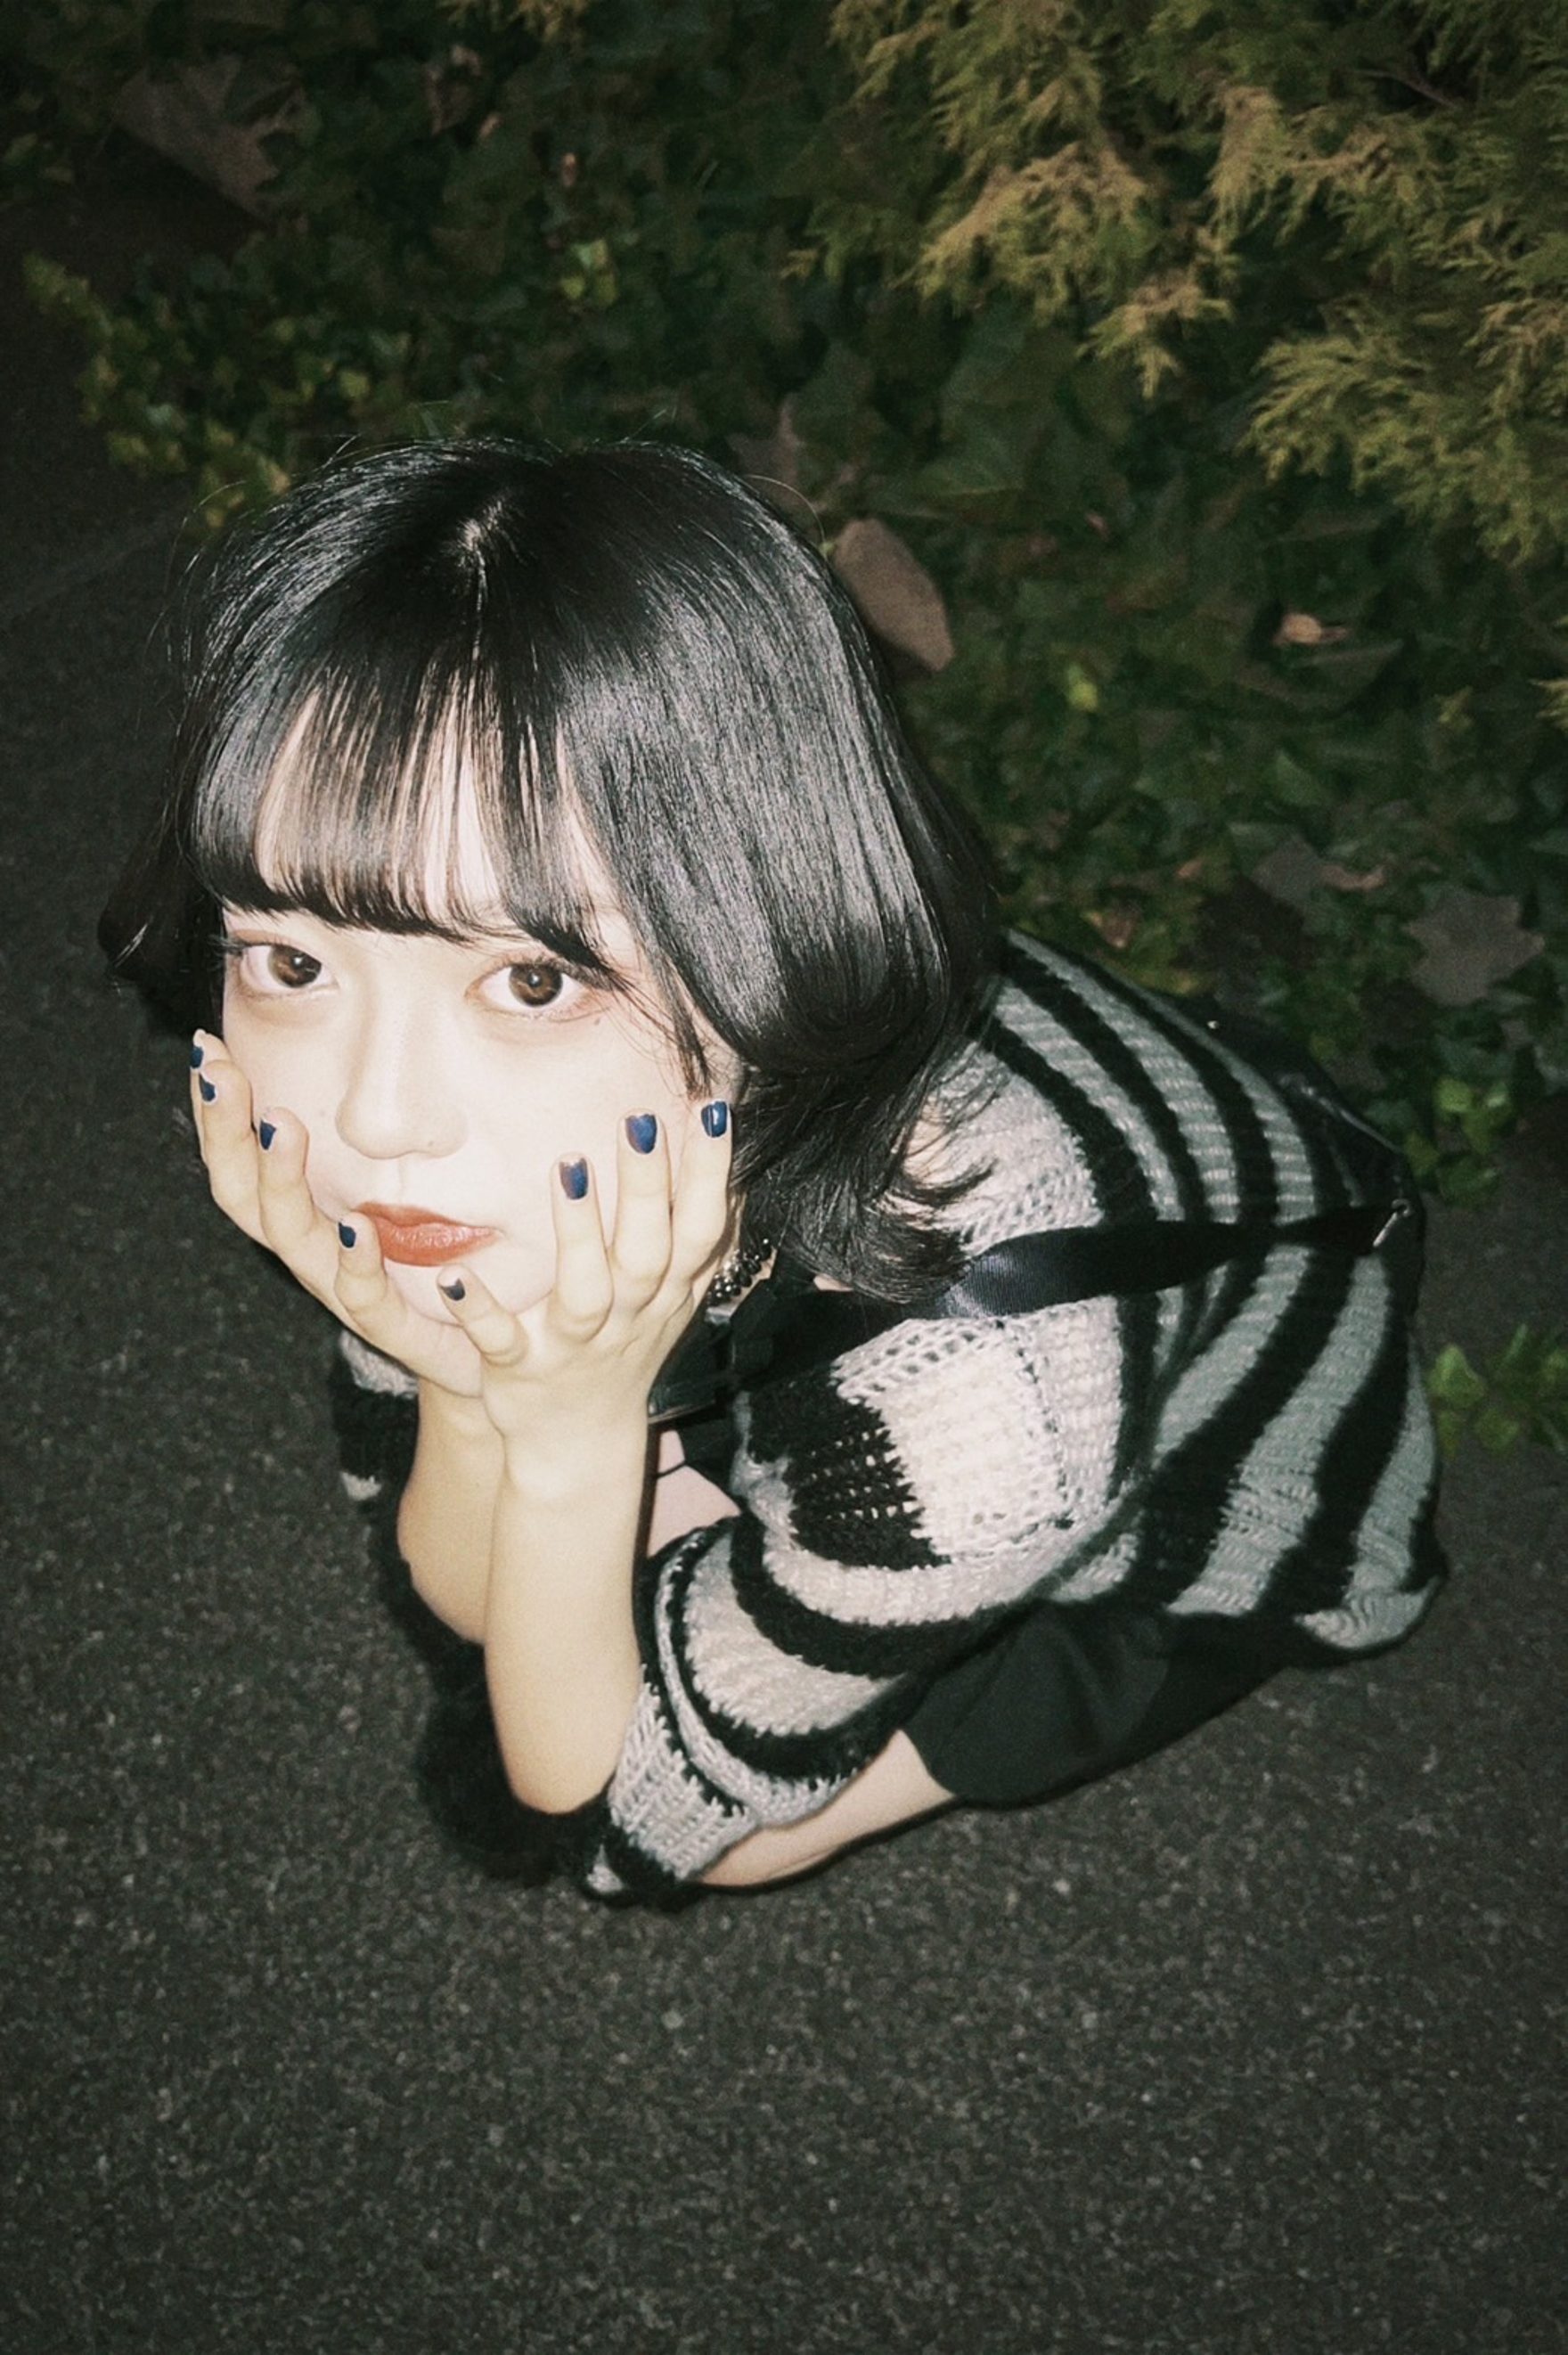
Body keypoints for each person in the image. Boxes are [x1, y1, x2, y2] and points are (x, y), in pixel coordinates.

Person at [102, 439, 1445, 1903]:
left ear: (759, 926)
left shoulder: (992, 1409)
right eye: (293, 960)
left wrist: (563, 1438)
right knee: (554, 1532)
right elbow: (439, 1553)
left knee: (710, 1835)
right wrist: (457, 1363)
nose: (373, 1120)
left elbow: (607, 1803)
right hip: (827, 1273)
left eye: (534, 979)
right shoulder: (599, 1115)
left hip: (1194, 1500)